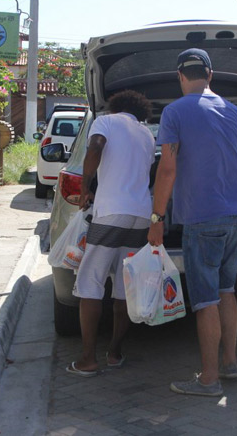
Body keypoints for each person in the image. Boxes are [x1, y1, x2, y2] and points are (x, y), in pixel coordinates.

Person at [148, 48, 237, 396]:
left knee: (205, 300)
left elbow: (167, 169)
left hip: (201, 218)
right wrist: (231, 194)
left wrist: (156, 218)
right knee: (227, 291)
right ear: (210, 75)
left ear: (181, 76)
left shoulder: (175, 112)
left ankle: (209, 380)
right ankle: (229, 363)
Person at [66, 90, 155, 377]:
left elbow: (96, 147)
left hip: (110, 213)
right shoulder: (146, 134)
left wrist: (85, 186)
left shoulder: (105, 122)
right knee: (123, 288)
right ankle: (115, 352)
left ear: (115, 106)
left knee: (90, 283)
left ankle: (88, 359)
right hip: (141, 216)